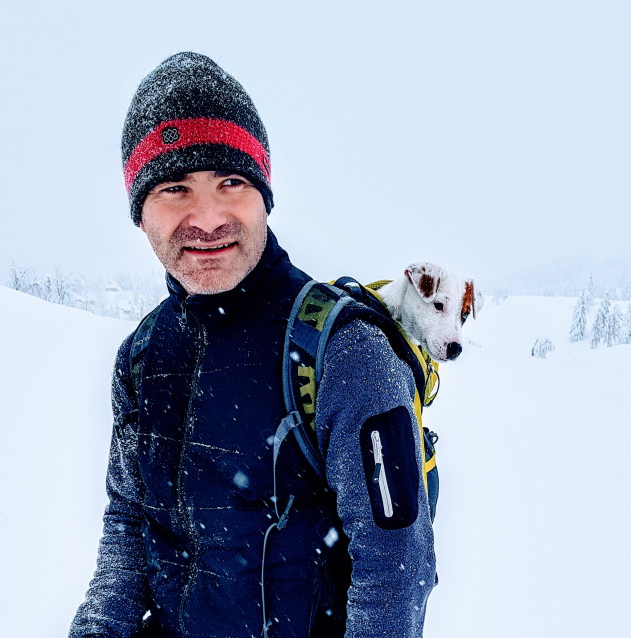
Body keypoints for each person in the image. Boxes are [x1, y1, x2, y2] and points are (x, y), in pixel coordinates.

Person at [69, 52, 435, 638]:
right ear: (141, 212)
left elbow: (395, 571)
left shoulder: (342, 351)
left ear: (264, 194)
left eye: (230, 182)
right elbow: (129, 521)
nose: (206, 216)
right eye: (174, 188)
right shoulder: (141, 356)